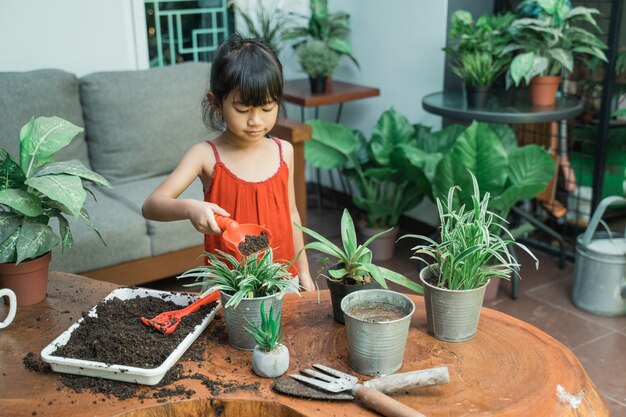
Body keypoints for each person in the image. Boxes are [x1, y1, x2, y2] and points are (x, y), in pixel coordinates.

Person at [142, 34, 314, 291]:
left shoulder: (284, 151)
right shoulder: (205, 155)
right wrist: (190, 208)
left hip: (281, 279)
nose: (255, 120)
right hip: (229, 287)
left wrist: (304, 273)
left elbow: (291, 215)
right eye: (243, 110)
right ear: (216, 103)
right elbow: (152, 206)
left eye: (267, 108)